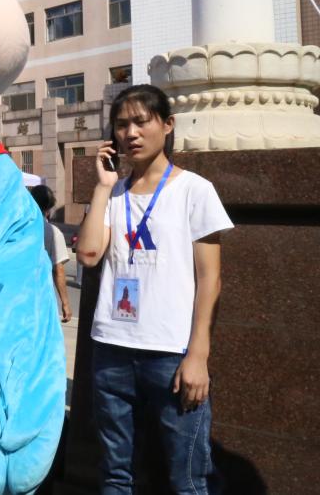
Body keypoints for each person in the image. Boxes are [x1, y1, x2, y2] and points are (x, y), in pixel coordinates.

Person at [75, 84, 233, 494]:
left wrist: (198, 354)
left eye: (141, 121)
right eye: (121, 124)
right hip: (111, 348)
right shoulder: (114, 193)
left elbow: (210, 279)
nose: (131, 133)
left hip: (170, 352)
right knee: (116, 474)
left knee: (189, 478)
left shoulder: (194, 189)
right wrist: (102, 186)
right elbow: (88, 255)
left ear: (167, 125)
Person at [30, 184, 72, 323]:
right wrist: (65, 303)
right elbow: (58, 270)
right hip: (42, 296)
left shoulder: (17, 228)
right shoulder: (53, 232)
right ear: (48, 209)